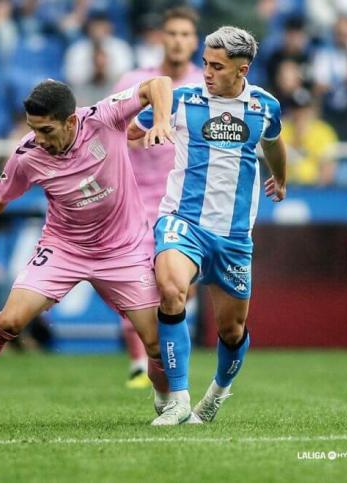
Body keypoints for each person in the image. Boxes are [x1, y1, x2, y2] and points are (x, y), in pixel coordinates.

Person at [0, 76, 195, 425]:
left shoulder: (104, 117)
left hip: (122, 251)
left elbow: (158, 84)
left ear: (71, 121)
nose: (39, 138)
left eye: (47, 130)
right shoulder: (28, 155)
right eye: (33, 129)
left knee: (156, 342)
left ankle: (168, 402)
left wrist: (160, 120)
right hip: (64, 248)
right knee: (9, 320)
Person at [129, 26, 287, 424]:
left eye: (217, 66)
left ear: (242, 69)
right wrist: (147, 128)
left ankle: (216, 394)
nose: (207, 72)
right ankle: (178, 399)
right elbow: (130, 124)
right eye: (205, 63)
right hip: (182, 222)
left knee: (232, 331)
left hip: (234, 237)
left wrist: (280, 178)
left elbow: (273, 141)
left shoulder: (265, 106)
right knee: (170, 291)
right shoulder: (184, 101)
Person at [113, 6, 203, 389]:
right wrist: (137, 128)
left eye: (185, 34)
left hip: (184, 200)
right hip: (135, 198)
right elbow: (112, 125)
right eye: (172, 33)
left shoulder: (205, 85)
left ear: (194, 41)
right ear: (160, 38)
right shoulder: (136, 80)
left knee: (178, 287)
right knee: (136, 279)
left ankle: (169, 360)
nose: (178, 40)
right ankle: (139, 363)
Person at [281, 88, 337, 186]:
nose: (300, 114)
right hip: (287, 186)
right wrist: (297, 137)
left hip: (315, 186)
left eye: (304, 109)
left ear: (311, 110)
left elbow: (329, 167)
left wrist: (318, 189)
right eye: (296, 109)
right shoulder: (281, 130)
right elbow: (274, 166)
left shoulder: (324, 131)